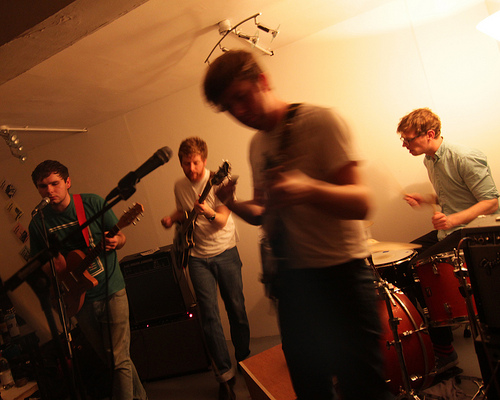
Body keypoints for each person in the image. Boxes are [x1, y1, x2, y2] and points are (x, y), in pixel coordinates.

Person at [203, 49, 393, 400]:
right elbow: (264, 212)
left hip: (342, 278)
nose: (239, 112)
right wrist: (232, 203)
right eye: (229, 107)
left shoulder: (321, 121)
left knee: (362, 390)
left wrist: (308, 189)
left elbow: (363, 203)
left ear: (263, 81)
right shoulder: (257, 145)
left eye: (241, 97)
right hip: (294, 286)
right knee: (310, 390)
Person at [28, 160, 148, 400]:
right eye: (43, 186)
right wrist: (54, 267)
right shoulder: (38, 222)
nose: (49, 191)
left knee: (118, 359)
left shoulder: (92, 203)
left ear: (67, 182)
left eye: (54, 183)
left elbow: (121, 237)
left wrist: (116, 241)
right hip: (77, 299)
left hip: (111, 288)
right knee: (112, 359)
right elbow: (39, 263)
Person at [397, 107, 500, 373]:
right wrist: (426, 199)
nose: (405, 145)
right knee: (401, 259)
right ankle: (431, 337)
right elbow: (452, 194)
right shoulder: (429, 160)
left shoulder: (464, 157)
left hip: (473, 232)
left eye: (408, 139)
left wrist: (453, 220)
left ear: (430, 134)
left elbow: (491, 202)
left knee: (417, 269)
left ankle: (445, 351)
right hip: (451, 230)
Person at [161, 137, 250, 400]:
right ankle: (225, 376)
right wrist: (172, 218)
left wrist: (208, 212)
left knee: (236, 309)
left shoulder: (218, 182)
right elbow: (184, 212)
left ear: (205, 160)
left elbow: (222, 220)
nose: (191, 169)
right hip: (197, 256)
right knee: (209, 317)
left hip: (225, 252)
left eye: (195, 163)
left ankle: (244, 360)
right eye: (185, 163)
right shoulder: (179, 185)